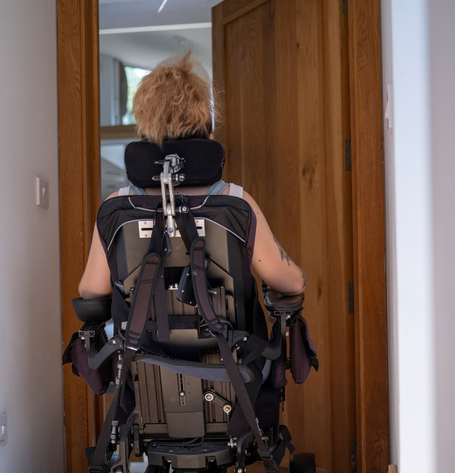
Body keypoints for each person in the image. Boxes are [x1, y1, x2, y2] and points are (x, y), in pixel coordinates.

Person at [79, 52, 306, 300]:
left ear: (145, 133)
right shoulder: (235, 202)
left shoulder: (117, 206)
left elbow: (92, 290)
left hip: (139, 339)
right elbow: (291, 284)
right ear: (208, 132)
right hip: (229, 339)